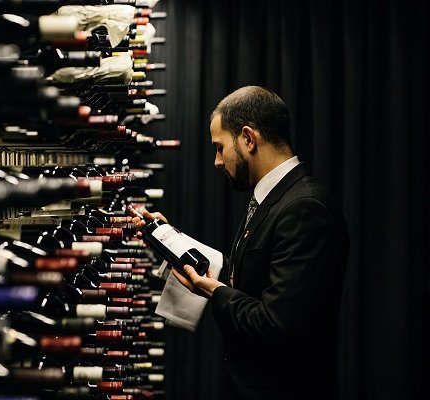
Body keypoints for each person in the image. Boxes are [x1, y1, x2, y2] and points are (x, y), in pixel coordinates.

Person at [133, 86, 349, 400]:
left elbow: (276, 324)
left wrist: (212, 290)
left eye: (220, 147)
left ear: (248, 138)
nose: (217, 161)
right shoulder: (275, 198)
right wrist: (173, 242)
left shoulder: (305, 207)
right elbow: (251, 283)